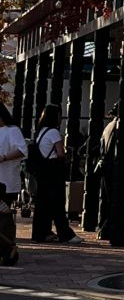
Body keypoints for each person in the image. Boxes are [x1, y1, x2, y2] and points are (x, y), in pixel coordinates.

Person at [31, 104, 75, 244]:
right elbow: (60, 153)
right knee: (57, 202)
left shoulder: (40, 132)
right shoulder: (54, 132)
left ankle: (41, 232)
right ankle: (65, 233)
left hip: (42, 171)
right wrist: (67, 153)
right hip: (54, 170)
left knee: (42, 203)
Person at [0, 102, 28, 265]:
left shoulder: (12, 131)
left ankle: (6, 249)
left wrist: (3, 157)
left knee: (3, 218)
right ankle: (5, 248)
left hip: (6, 182)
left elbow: (22, 150)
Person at [96, 104, 120, 240]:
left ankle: (103, 228)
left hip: (105, 164)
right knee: (114, 198)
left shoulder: (109, 126)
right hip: (113, 166)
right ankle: (109, 228)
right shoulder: (118, 126)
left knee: (106, 198)